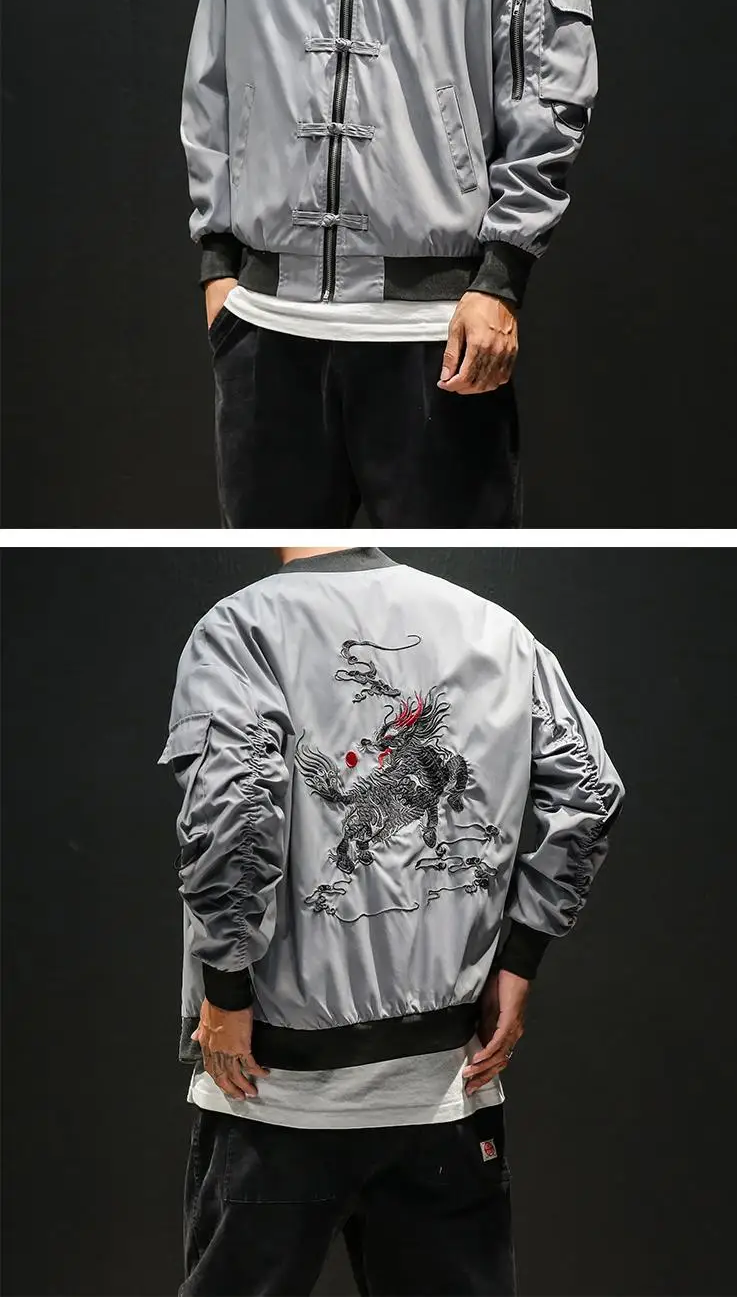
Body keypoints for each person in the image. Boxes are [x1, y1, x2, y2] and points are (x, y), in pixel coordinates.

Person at [162, 541, 624, 1297]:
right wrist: (521, 959)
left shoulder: (242, 627)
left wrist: (227, 986)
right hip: (446, 1091)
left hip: (273, 1093)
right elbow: (589, 790)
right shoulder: (497, 630)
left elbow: (232, 804)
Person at [182, 0, 597, 526]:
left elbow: (548, 85)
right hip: (266, 335)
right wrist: (220, 271)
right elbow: (210, 86)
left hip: (436, 337)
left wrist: (501, 277)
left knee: (448, 572)